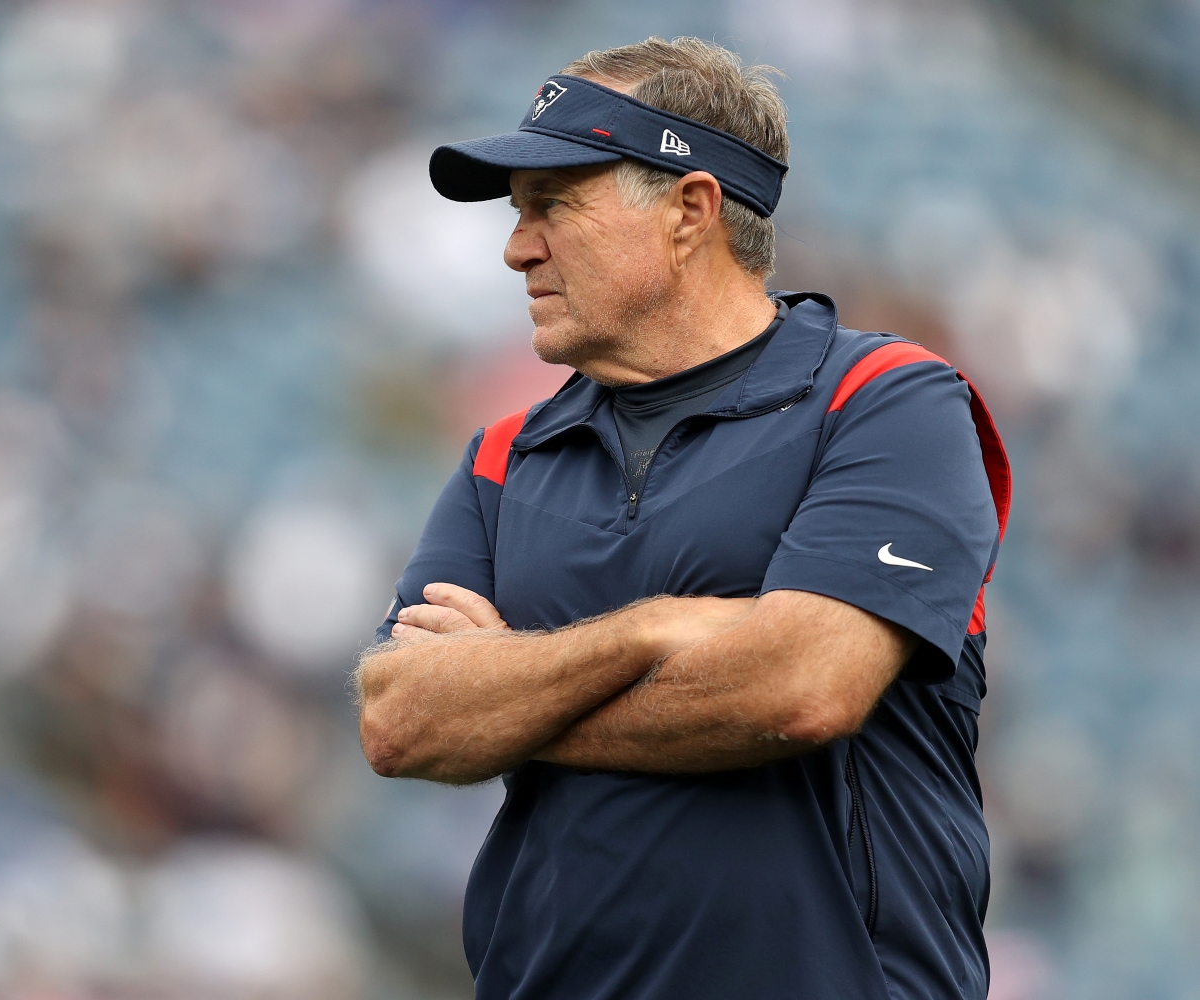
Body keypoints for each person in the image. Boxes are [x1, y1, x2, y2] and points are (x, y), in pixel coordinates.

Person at [354, 36, 1011, 1000]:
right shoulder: (506, 457)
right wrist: (657, 629)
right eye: (517, 213)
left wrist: (507, 697)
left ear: (689, 211)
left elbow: (802, 687)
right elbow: (401, 722)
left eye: (555, 206)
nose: (515, 246)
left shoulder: (886, 401)